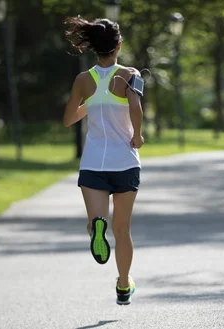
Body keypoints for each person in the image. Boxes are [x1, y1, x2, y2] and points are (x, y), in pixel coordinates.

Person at [62, 16, 144, 306]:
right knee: (123, 230)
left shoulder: (84, 80)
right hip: (125, 162)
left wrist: (93, 102)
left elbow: (69, 119)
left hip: (94, 164)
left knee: (96, 222)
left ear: (93, 48)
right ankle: (124, 285)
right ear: (119, 45)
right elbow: (135, 105)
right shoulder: (130, 74)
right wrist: (139, 135)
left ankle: (97, 225)